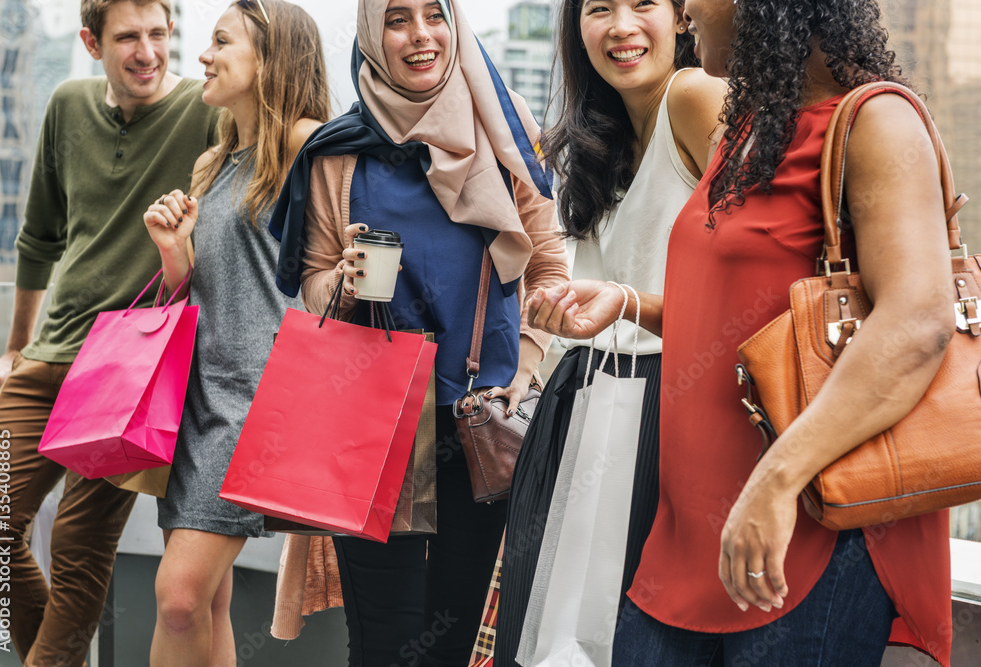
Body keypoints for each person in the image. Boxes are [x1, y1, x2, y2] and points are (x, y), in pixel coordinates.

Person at [528, 0, 955, 665]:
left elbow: (918, 322)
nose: (688, 8)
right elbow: (749, 320)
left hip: (804, 532)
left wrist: (775, 481)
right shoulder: (746, 132)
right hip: (690, 536)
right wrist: (627, 303)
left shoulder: (878, 120)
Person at [267, 0, 569, 664]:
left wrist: (522, 370)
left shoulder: (504, 125)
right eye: (397, 18)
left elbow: (547, 265)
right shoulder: (337, 149)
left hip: (478, 415)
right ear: (373, 34)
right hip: (375, 418)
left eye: (435, 13)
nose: (421, 34)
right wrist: (343, 282)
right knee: (384, 641)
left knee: (450, 637)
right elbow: (311, 282)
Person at [0, 1, 219, 664]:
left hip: (132, 373)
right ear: (90, 41)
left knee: (79, 554)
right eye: (127, 38)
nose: (146, 52)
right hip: (48, 355)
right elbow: (38, 238)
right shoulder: (65, 103)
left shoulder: (206, 109)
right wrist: (14, 346)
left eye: (157, 34)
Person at [495, 0, 725, 663]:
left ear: (682, 18)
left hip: (662, 397)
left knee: (620, 633)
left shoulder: (694, 94)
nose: (622, 26)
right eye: (599, 8)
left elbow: (763, 264)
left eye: (642, 4)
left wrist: (626, 302)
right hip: (587, 393)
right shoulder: (597, 131)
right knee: (567, 633)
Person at [139, 1, 329, 664]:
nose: (202, 56)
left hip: (256, 399)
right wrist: (172, 250)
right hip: (196, 395)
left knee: (178, 595)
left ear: (269, 58)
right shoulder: (212, 162)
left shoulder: (308, 144)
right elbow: (194, 292)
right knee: (208, 601)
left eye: (221, 41)